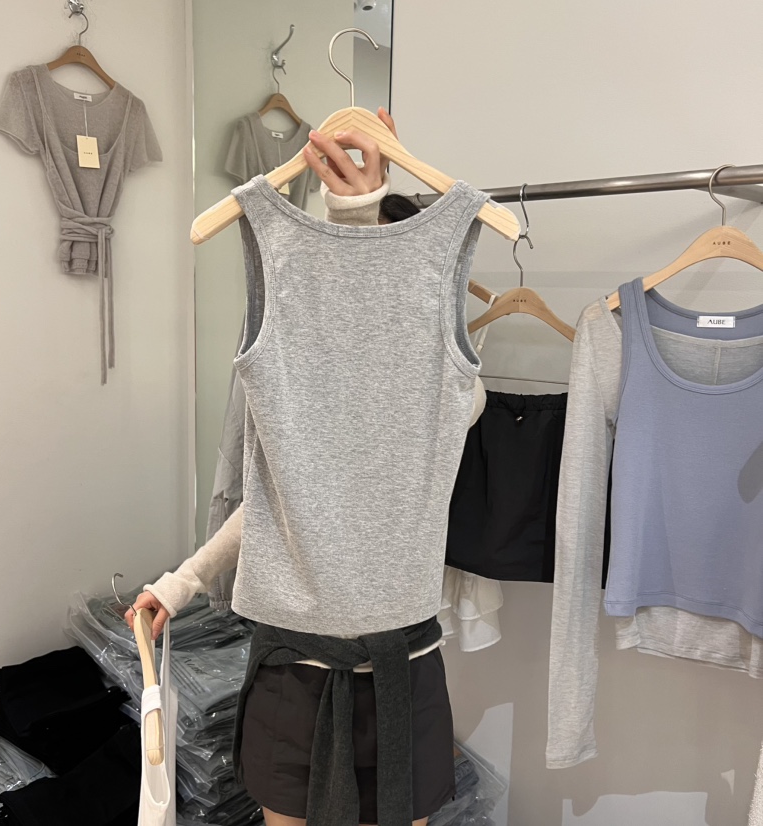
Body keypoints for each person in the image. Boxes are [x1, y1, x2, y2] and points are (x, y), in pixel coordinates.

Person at [127, 109, 485, 826]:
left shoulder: (435, 359)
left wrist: (359, 220)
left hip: (402, 666)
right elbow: (278, 502)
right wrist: (184, 580)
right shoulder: (296, 332)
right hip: (294, 670)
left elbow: (441, 391)